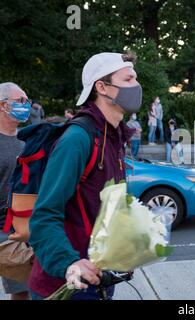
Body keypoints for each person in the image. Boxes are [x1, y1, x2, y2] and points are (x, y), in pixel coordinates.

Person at [28, 52, 138, 300]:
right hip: (65, 285)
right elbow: (44, 215)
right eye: (129, 79)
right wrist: (69, 263)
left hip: (98, 280)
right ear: (102, 87)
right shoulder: (78, 139)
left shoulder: (113, 137)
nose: (137, 86)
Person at [0, 82, 30, 300]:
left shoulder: (26, 141)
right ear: (2, 105)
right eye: (20, 101)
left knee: (22, 292)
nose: (26, 105)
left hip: (18, 229)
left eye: (27, 101)